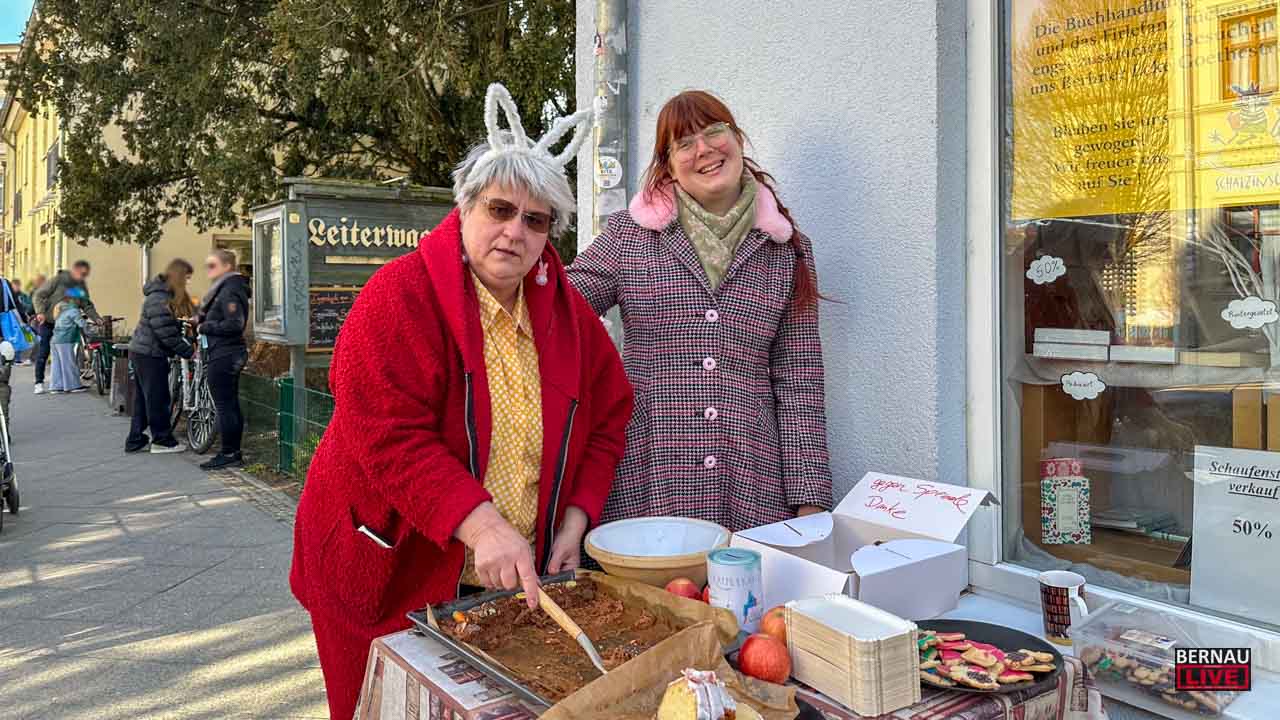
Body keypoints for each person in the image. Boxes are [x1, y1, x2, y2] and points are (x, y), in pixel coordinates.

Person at [289, 83, 632, 720]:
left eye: (535, 221)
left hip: (502, 583)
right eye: (500, 210)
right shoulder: (399, 297)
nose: (515, 232)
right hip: (388, 565)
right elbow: (387, 435)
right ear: (465, 208)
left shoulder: (568, 313)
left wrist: (576, 517)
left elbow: (611, 415)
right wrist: (482, 524)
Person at [568, 90, 833, 533]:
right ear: (667, 164)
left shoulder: (785, 250)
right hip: (648, 474)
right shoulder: (630, 237)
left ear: (737, 139)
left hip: (751, 484)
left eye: (714, 132)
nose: (704, 149)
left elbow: (799, 382)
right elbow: (560, 307)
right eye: (684, 143)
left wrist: (810, 500)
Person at [126, 260, 195, 454]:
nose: (188, 282)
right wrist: (189, 351)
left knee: (143, 399)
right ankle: (162, 440)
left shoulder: (160, 295)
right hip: (150, 354)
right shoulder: (159, 298)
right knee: (157, 398)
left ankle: (135, 439)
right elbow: (165, 332)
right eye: (187, 278)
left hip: (142, 352)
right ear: (178, 276)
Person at [196, 249, 250, 470]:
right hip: (225, 352)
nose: (209, 270)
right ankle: (232, 451)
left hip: (225, 354)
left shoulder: (229, 290)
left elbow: (235, 324)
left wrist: (204, 326)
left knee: (225, 406)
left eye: (213, 265)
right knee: (230, 404)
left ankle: (229, 453)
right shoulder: (227, 288)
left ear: (227, 266)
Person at [32, 261, 99, 394]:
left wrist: (96, 317)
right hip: (49, 321)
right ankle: (39, 382)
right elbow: (39, 295)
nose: (82, 276)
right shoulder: (58, 281)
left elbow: (86, 305)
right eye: (81, 273)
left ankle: (60, 385)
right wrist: (40, 312)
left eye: (85, 274)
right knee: (44, 352)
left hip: (67, 325)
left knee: (64, 354)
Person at [48, 294, 89, 394]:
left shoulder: (60, 309)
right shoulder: (73, 310)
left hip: (55, 340)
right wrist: (93, 328)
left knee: (56, 364)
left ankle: (57, 387)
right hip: (65, 340)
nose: (80, 302)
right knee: (68, 363)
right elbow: (82, 324)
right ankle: (73, 386)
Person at [9, 279, 31, 364]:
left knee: (27, 338)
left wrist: (24, 309)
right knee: (14, 339)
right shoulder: (9, 296)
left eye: (18, 286)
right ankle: (15, 358)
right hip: (12, 320)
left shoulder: (23, 296)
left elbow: (29, 305)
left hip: (22, 320)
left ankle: (23, 357)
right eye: (15, 286)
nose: (17, 288)